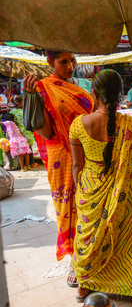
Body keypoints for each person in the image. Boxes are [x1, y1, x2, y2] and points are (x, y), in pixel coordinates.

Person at [69, 69, 132, 305]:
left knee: (87, 242)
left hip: (89, 193)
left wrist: (85, 196)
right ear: (120, 95)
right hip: (124, 197)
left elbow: (77, 166)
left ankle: (84, 286)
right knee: (128, 244)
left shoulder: (78, 125)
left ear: (93, 93)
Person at [23, 50, 94, 288]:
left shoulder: (82, 87)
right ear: (50, 62)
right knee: (68, 207)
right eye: (63, 62)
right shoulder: (43, 89)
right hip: (61, 157)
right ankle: (75, 262)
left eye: (73, 60)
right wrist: (32, 97)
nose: (70, 66)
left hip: (87, 152)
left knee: (90, 203)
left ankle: (93, 255)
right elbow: (45, 132)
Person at [10, 95, 39, 169]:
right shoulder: (25, 111)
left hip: (18, 132)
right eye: (23, 102)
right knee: (29, 148)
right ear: (19, 103)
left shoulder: (12, 111)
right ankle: (32, 163)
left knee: (20, 149)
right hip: (26, 131)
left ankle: (21, 165)